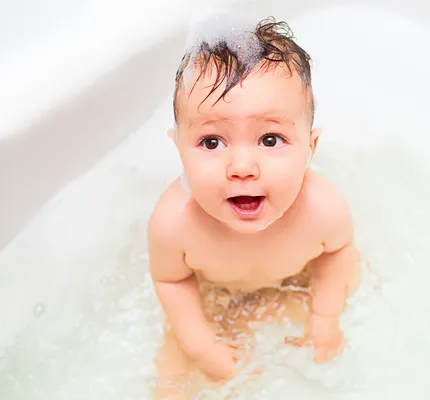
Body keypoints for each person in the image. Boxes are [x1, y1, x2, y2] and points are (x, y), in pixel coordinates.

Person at [148, 16, 362, 398]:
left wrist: (325, 319)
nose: (243, 168)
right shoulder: (173, 224)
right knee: (173, 373)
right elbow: (172, 280)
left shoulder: (323, 208)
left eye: (270, 138)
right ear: (178, 148)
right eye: (212, 142)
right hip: (212, 295)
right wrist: (202, 346)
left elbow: (337, 255)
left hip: (294, 284)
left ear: (309, 150)